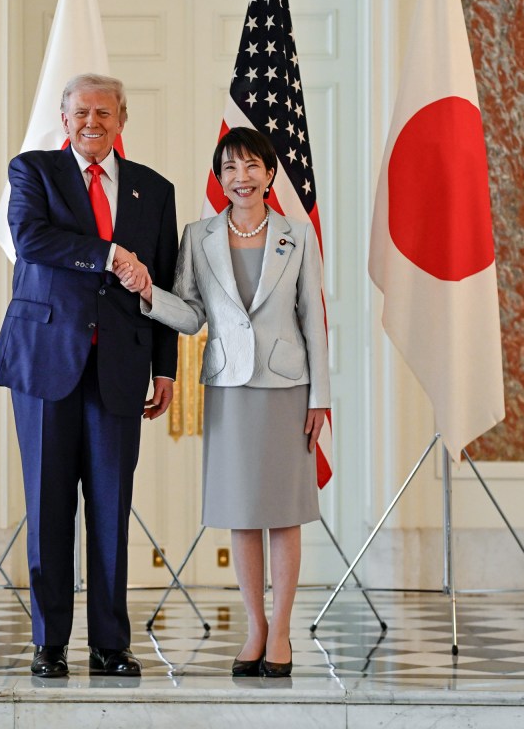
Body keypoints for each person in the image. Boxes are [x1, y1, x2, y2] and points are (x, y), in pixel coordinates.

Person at [115, 127, 329, 678]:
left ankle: (281, 631)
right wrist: (146, 292)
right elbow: (190, 315)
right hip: (230, 389)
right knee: (240, 511)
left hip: (286, 390)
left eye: (252, 166)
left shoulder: (297, 235)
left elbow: (314, 322)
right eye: (230, 168)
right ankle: (254, 628)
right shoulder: (199, 236)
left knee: (283, 515)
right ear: (219, 176)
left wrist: (320, 398)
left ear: (270, 173)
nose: (241, 177)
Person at [0, 73, 178, 678]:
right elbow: (31, 238)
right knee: (47, 506)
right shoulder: (33, 171)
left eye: (104, 112)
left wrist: (166, 368)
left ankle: (109, 644)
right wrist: (110, 255)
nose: (92, 122)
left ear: (122, 119)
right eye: (81, 113)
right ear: (64, 120)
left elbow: (164, 284)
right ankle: (48, 644)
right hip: (45, 361)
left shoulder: (155, 189)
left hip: (121, 366)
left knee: (110, 508)